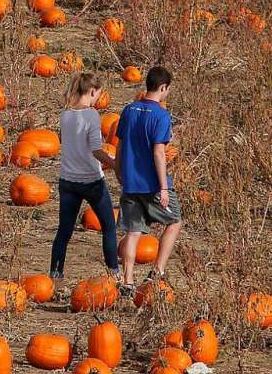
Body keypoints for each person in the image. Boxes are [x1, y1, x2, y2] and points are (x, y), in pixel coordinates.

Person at [113, 66, 182, 292]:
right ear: (163, 87)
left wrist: (118, 171)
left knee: (133, 232)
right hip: (151, 183)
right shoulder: (162, 115)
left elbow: (120, 145)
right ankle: (157, 271)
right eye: (167, 90)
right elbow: (158, 153)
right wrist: (163, 187)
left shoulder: (129, 110)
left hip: (130, 183)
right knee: (174, 222)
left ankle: (128, 281)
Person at [49, 72, 119, 284]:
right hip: (91, 181)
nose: (99, 98)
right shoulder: (91, 115)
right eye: (98, 94)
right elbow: (96, 150)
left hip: (67, 180)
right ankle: (114, 272)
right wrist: (114, 163)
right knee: (109, 227)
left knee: (64, 230)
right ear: (91, 91)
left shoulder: (65, 115)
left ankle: (55, 273)